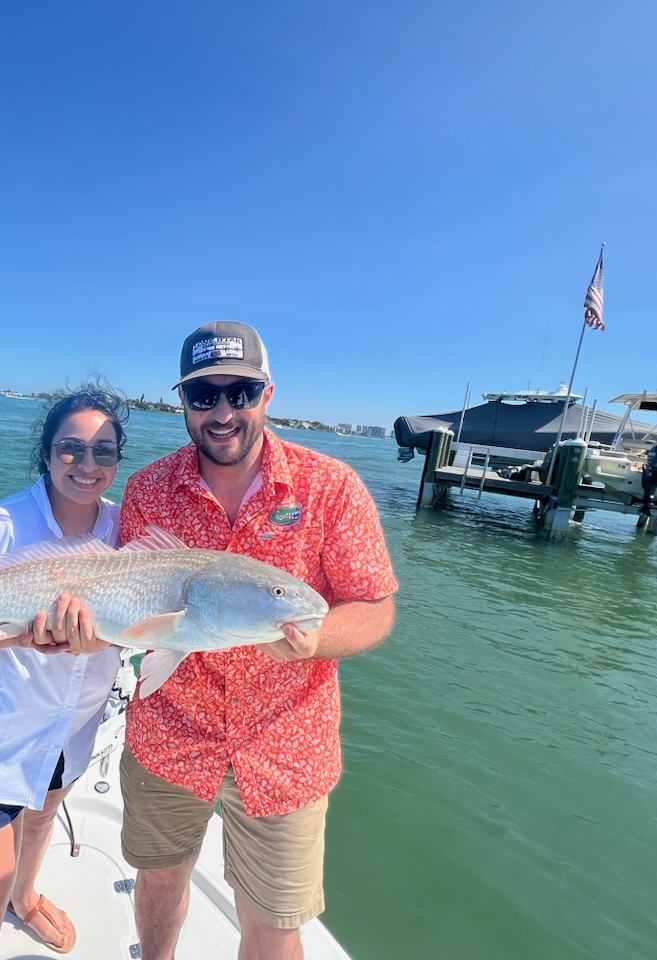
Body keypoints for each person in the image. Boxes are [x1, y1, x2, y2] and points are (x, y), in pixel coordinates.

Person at [117, 321, 398, 960]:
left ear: (266, 394)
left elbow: (376, 607)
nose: (222, 412)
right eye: (203, 395)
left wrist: (318, 638)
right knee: (159, 879)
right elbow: (129, 612)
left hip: (285, 745)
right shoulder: (147, 490)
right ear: (182, 401)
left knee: (275, 924)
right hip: (169, 730)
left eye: (239, 393)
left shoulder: (331, 487)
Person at [0, 384, 126, 959]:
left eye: (104, 451)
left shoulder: (128, 534)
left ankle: (26, 897)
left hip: (68, 732)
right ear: (45, 451)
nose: (87, 465)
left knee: (38, 824)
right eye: (71, 448)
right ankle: (3, 903)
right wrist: (18, 636)